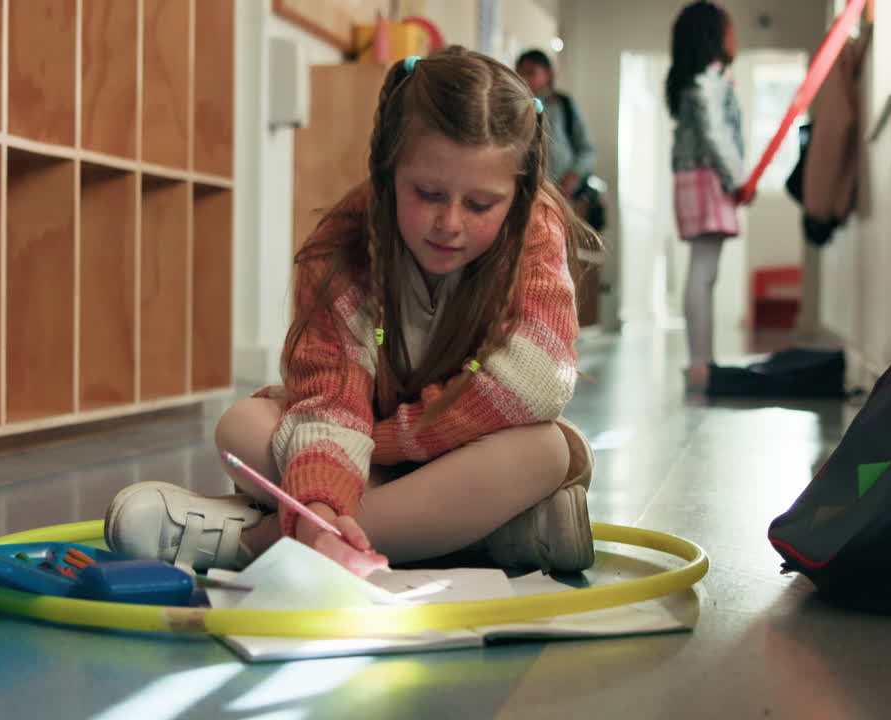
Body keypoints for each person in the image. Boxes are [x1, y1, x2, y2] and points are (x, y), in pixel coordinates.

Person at [104, 48, 602, 578]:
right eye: (428, 193)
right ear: (387, 172)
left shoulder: (533, 228)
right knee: (241, 426)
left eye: (480, 205)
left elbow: (536, 381)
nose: (450, 222)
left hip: (436, 450)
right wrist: (321, 498)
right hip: (363, 452)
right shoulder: (341, 247)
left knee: (545, 452)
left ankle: (256, 540)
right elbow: (331, 401)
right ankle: (493, 532)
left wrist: (384, 444)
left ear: (520, 195)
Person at [666, 2, 750, 390]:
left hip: (695, 176)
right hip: (707, 178)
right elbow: (717, 134)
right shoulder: (709, 79)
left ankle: (702, 359)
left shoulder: (695, 80)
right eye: (730, 31)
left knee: (704, 271)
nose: (735, 38)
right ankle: (701, 362)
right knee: (703, 271)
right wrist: (738, 179)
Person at [515, 49, 596, 201]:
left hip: (564, 196)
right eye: (520, 73)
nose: (524, 79)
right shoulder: (514, 108)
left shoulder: (565, 105)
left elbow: (588, 151)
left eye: (531, 72)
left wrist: (573, 177)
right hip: (527, 197)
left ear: (548, 74)